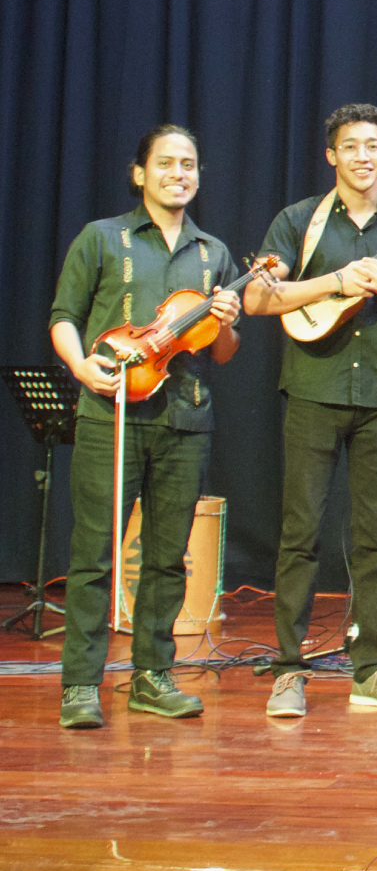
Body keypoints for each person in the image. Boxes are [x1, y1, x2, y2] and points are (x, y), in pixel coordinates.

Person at [244, 103, 377, 717]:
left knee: (376, 539)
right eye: (349, 146)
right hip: (312, 390)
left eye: (373, 145)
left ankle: (372, 671)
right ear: (332, 155)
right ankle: (288, 671)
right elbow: (256, 298)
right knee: (300, 535)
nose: (361, 156)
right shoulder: (299, 221)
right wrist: (334, 283)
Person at [48, 124, 241, 729]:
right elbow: (63, 316)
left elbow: (224, 351)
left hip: (186, 417)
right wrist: (82, 367)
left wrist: (230, 320)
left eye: (188, 164)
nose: (178, 173)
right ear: (140, 173)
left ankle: (151, 676)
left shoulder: (214, 253)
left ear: (199, 176)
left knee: (166, 557)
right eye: (165, 163)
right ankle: (80, 684)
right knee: (95, 555)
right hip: (113, 412)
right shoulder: (102, 238)